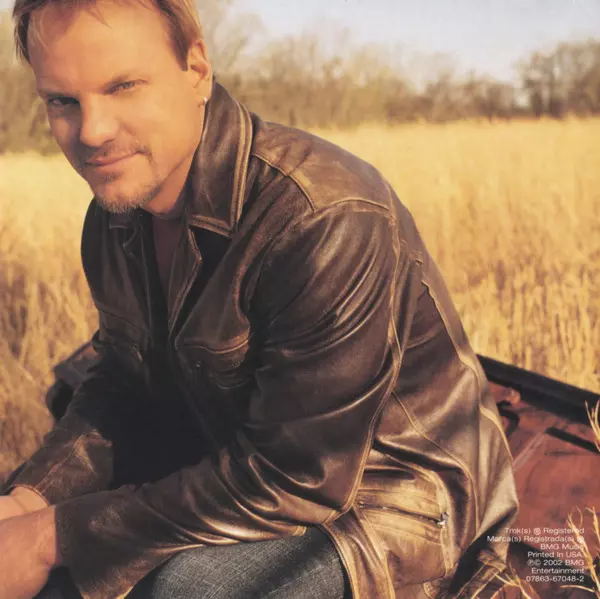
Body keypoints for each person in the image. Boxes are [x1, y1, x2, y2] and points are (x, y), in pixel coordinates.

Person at [0, 0, 519, 597]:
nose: (92, 131)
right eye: (62, 101)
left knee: (187, 590)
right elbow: (121, 381)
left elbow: (300, 477)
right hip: (232, 459)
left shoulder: (322, 213)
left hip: (389, 502)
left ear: (197, 70)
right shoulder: (114, 216)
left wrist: (53, 536)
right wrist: (28, 500)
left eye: (123, 86)